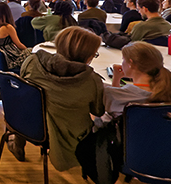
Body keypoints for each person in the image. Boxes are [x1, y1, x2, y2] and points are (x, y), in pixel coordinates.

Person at [7, 26, 105, 167]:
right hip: (69, 136)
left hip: (28, 125)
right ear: (88, 56)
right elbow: (98, 111)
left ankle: (18, 146)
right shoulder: (91, 81)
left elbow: (21, 92)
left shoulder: (33, 62)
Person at [103, 41, 171, 124]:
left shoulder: (113, 94)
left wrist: (116, 78)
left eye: (123, 59)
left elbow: (114, 104)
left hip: (130, 139)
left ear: (130, 63)